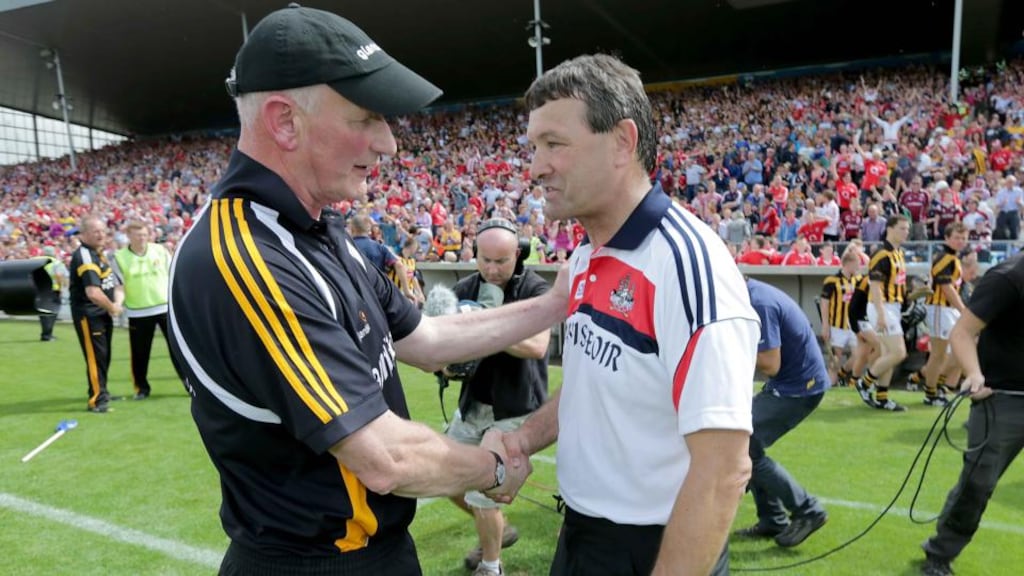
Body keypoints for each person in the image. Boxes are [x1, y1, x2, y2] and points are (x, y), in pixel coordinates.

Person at [166, 7, 567, 575]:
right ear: (285, 122)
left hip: (372, 552)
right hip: (316, 562)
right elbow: (385, 457)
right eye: (366, 117)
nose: (389, 144)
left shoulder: (319, 231)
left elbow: (426, 338)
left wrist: (555, 303)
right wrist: (496, 467)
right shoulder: (247, 258)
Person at [498, 54, 761, 576]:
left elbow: (723, 471)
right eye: (533, 147)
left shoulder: (687, 267)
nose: (535, 167)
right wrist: (524, 439)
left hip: (654, 547)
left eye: (554, 144)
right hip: (580, 533)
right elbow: (593, 385)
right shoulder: (590, 253)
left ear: (622, 141)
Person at [446, 218, 550, 576]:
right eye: (485, 260)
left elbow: (537, 346)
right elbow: (448, 349)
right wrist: (447, 366)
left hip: (516, 407)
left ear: (518, 255)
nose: (492, 269)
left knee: (483, 491)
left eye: (501, 261)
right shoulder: (464, 287)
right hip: (473, 402)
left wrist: (488, 322)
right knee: (447, 478)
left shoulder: (535, 289)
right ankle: (498, 532)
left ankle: (491, 567)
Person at [919, 253, 1024, 576]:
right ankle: (939, 553)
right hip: (1001, 399)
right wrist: (974, 373)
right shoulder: (1008, 277)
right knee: (978, 483)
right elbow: (962, 332)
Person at [735, 278, 828, 547]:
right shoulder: (754, 294)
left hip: (799, 388)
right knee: (748, 445)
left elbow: (770, 363)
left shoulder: (759, 303)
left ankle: (808, 510)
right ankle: (773, 520)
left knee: (744, 444)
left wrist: (729, 347)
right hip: (794, 384)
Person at [111, 221, 184, 399]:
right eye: (138, 235)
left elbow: (174, 275)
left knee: (179, 351)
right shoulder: (119, 257)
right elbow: (119, 286)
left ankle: (191, 385)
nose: (142, 238)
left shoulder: (160, 250)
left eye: (145, 234)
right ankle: (141, 389)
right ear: (129, 236)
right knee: (139, 354)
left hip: (165, 308)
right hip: (138, 312)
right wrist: (117, 303)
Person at [69, 215, 124, 413]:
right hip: (89, 315)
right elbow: (92, 292)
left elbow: (115, 283)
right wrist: (113, 307)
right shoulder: (85, 255)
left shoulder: (100, 254)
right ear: (83, 235)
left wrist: (115, 304)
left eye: (103, 231)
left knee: (104, 355)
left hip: (102, 314)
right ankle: (97, 399)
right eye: (95, 231)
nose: (101, 235)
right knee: (95, 357)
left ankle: (102, 391)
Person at [856, 215, 911, 411]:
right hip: (883, 307)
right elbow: (876, 287)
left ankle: (882, 397)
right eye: (902, 228)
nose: (906, 232)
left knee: (889, 353)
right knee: (898, 352)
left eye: (907, 229)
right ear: (890, 229)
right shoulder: (881, 254)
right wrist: (880, 314)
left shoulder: (899, 253)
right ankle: (864, 382)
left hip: (892, 307)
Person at [918, 222, 968, 406]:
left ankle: (936, 388)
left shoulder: (953, 258)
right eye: (956, 237)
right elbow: (946, 288)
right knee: (938, 354)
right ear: (947, 238)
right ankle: (930, 394)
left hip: (948, 309)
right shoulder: (944, 258)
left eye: (963, 238)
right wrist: (963, 309)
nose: (960, 241)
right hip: (940, 308)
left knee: (951, 353)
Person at [819, 250, 860, 386]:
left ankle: (843, 373)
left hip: (854, 326)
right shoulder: (832, 281)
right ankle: (830, 384)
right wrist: (825, 325)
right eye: (856, 264)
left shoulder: (858, 280)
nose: (858, 267)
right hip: (837, 326)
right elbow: (824, 303)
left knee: (858, 355)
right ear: (848, 264)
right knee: (835, 357)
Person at [37, 246, 67, 342]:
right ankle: (47, 335)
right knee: (52, 313)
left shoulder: (36, 261)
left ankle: (45, 333)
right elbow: (59, 275)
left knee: (43, 312)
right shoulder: (56, 263)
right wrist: (61, 287)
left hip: (39, 290)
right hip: (53, 290)